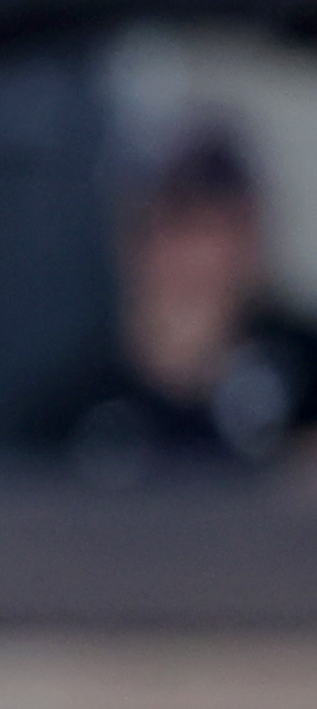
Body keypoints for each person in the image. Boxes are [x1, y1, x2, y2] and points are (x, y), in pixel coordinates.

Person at [33, 120, 315, 483]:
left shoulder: (305, 374)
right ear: (133, 246)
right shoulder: (71, 409)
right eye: (177, 229)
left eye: (219, 231)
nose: (197, 259)